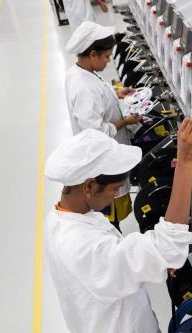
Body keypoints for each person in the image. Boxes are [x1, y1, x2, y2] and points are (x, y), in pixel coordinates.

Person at [44, 119, 192, 333]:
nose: (118, 196)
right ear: (89, 185)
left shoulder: (68, 216)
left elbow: (123, 268)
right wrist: (185, 164)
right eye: (115, 189)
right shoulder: (80, 245)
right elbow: (167, 248)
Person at [65, 21, 142, 229]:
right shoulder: (84, 88)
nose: (109, 61)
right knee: (107, 218)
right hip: (101, 164)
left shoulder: (80, 72)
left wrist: (116, 94)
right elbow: (95, 131)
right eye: (107, 56)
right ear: (92, 54)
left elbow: (97, 99)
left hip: (102, 160)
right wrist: (125, 121)